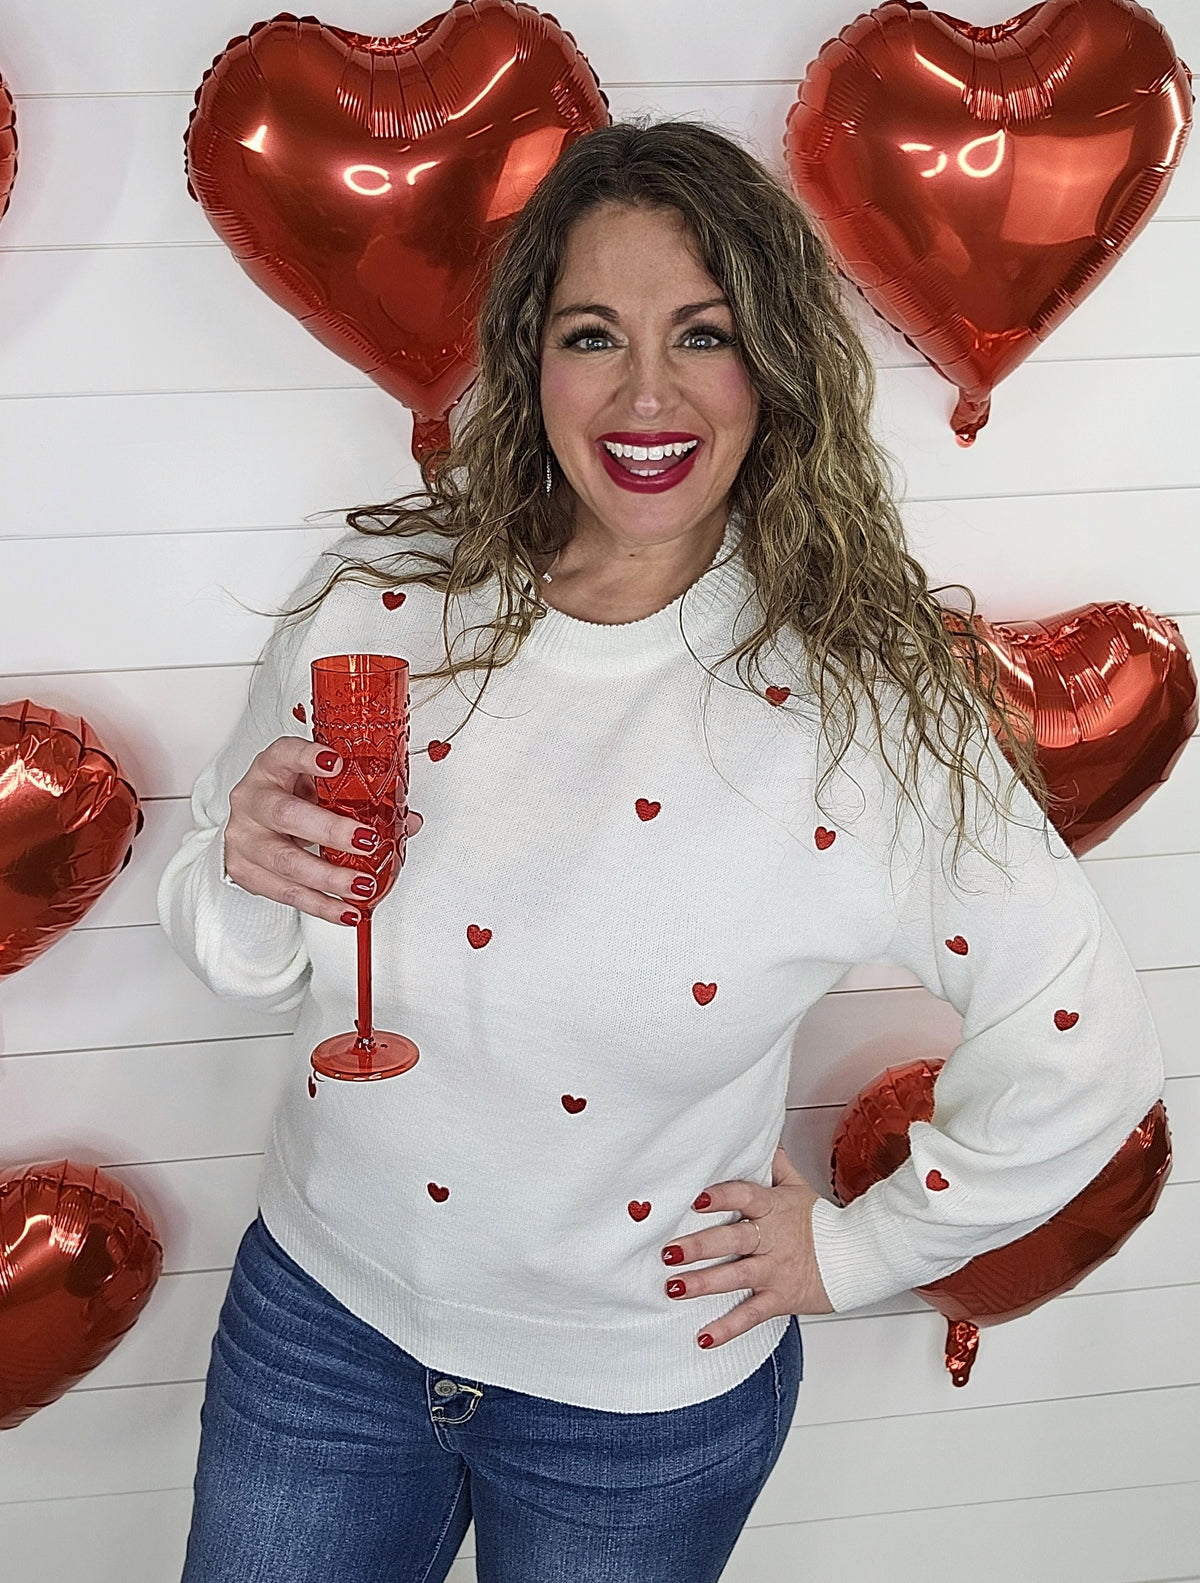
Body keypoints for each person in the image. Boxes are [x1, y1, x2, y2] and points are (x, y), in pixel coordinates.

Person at [158, 119, 1165, 1583]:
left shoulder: (856, 712)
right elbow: (242, 965)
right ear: (531, 362)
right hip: (318, 1332)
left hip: (637, 1408)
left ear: (775, 369)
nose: (646, 390)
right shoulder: (378, 609)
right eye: (592, 334)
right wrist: (246, 875)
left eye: (703, 333)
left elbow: (1087, 1035)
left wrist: (862, 1252)